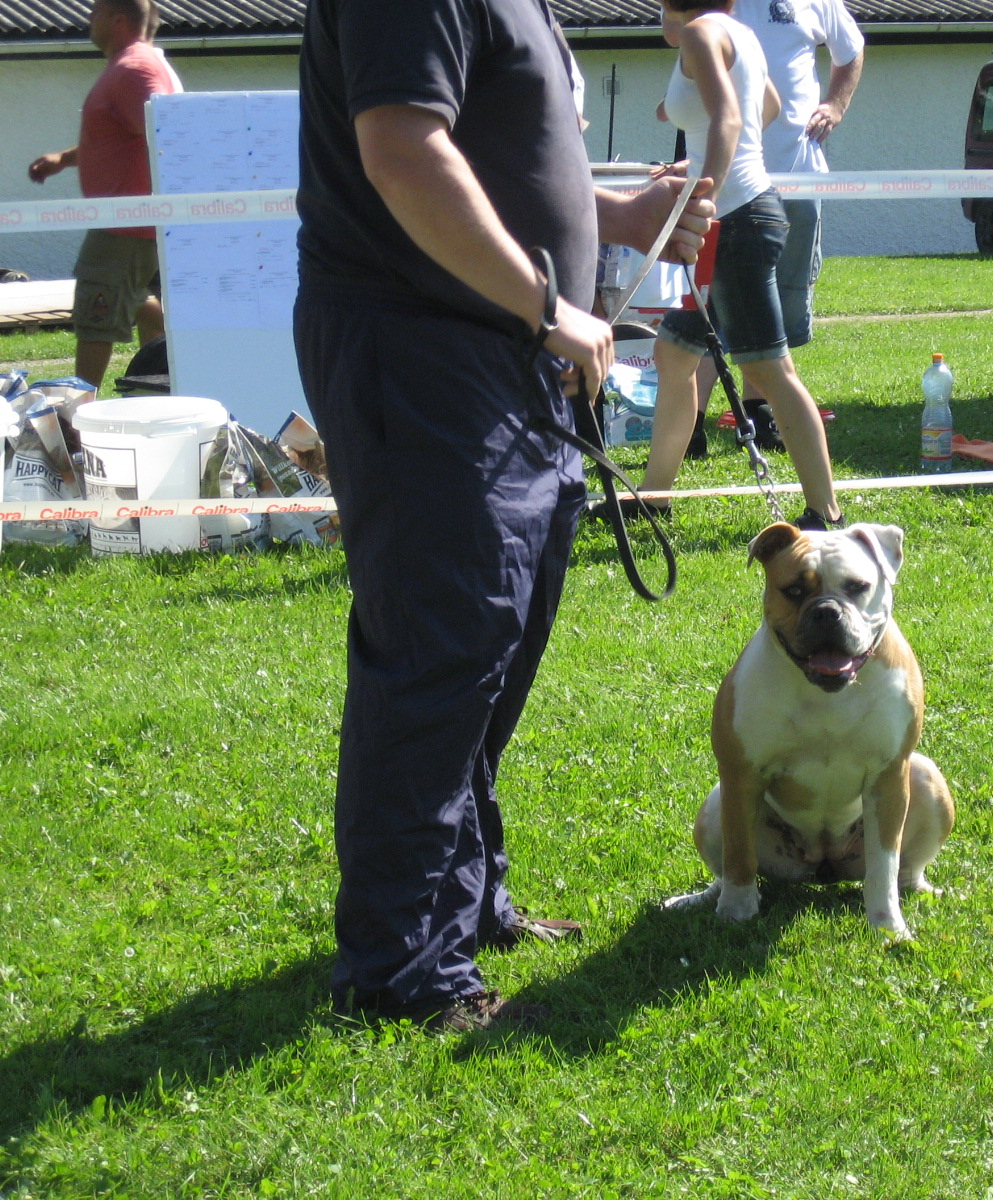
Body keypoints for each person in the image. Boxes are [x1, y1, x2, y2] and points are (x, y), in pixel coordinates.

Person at [295, 0, 713, 1032]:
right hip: (427, 351)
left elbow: (490, 148)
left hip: (501, 359)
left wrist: (608, 215)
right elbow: (401, 152)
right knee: (441, 648)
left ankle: (463, 904)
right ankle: (398, 971)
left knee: (495, 636)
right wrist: (545, 303)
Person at [639, 0, 844, 529]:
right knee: (675, 354)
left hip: (736, 224)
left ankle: (825, 513)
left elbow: (731, 117)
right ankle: (652, 498)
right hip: (737, 219)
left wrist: (701, 189)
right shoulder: (738, 33)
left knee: (769, 371)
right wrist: (701, 161)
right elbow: (768, 108)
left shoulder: (703, 33)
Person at [27, 0, 182, 390]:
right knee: (142, 304)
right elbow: (121, 139)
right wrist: (64, 159)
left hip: (124, 227)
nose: (88, 19)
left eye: (95, 11)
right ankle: (162, 384)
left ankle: (77, 417)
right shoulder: (130, 65)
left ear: (119, 20)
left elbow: (164, 129)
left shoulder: (135, 68)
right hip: (134, 222)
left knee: (95, 318)